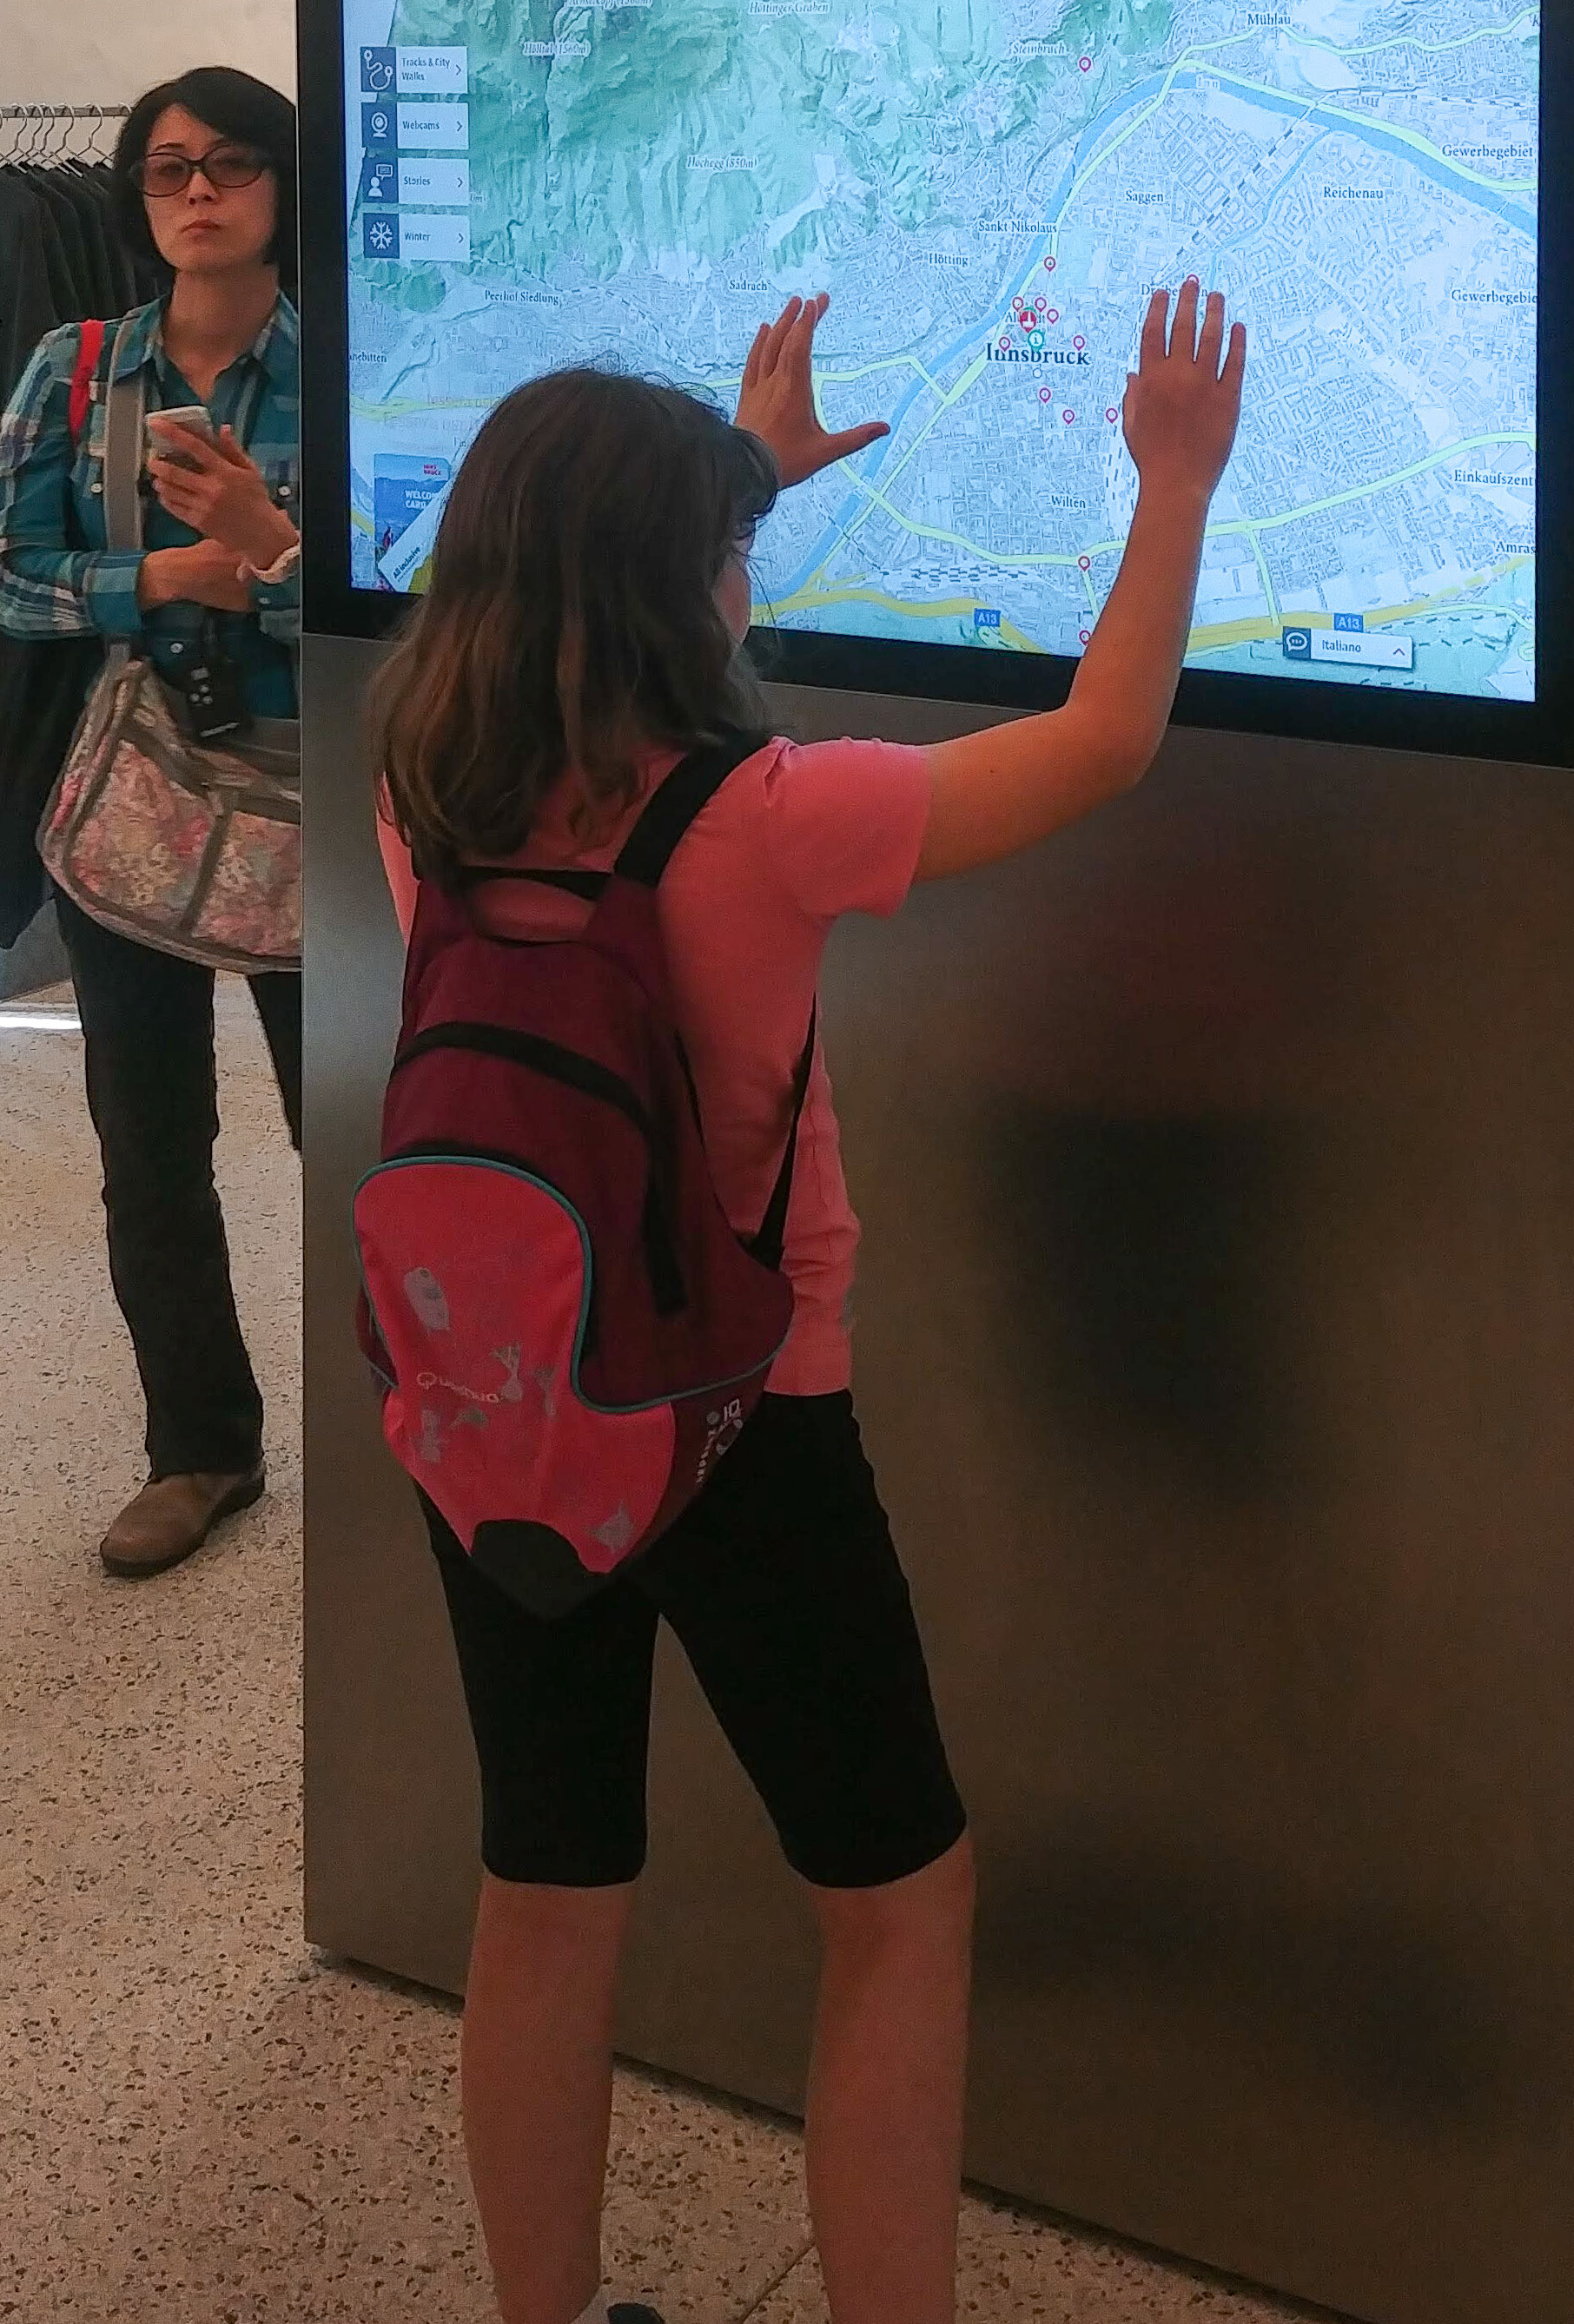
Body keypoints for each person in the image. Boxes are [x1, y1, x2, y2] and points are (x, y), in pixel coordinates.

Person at [368, 276, 1247, 2324]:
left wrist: (738, 469)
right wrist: (1174, 480)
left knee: (548, 1884)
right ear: (681, 588)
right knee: (894, 1896)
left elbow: (587, 609)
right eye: (729, 552)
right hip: (747, 1433)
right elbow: (1105, 739)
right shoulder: (771, 818)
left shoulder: (425, 794)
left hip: (496, 1402)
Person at [0, 68, 302, 1577]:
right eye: (168, 168)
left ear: (285, 186)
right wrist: (159, 580)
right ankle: (201, 1448)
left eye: (232, 164)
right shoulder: (76, 365)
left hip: (323, 805)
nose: (198, 192)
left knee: (368, 1140)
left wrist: (274, 556)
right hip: (131, 817)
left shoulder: (358, 365)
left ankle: (409, 1433)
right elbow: (6, 574)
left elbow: (420, 591)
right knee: (150, 1147)